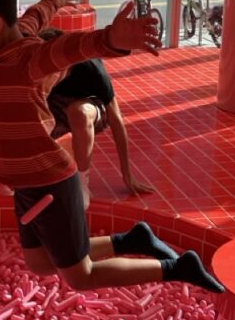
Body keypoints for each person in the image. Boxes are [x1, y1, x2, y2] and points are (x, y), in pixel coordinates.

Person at [0, 0, 223, 294]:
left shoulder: (28, 59)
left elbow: (71, 48)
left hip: (50, 185)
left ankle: (177, 267)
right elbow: (33, 19)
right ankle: (133, 240)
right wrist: (52, 1)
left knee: (81, 276)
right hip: (27, 187)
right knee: (40, 263)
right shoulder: (9, 42)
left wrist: (110, 40)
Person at [39, 28, 156, 208]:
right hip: (55, 108)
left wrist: (127, 175)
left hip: (89, 108)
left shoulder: (90, 67)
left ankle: (81, 184)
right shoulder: (38, 67)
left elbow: (116, 119)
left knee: (78, 112)